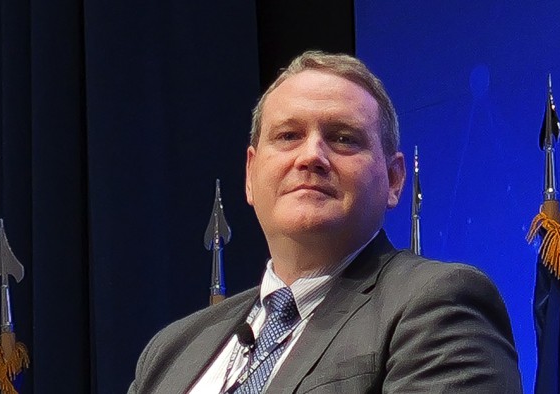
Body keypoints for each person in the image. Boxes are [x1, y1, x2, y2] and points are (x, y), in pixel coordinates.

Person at [128, 51, 521, 393]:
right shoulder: (171, 350)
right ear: (250, 176)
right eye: (288, 136)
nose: (311, 156)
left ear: (394, 180)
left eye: (343, 138)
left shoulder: (439, 305)